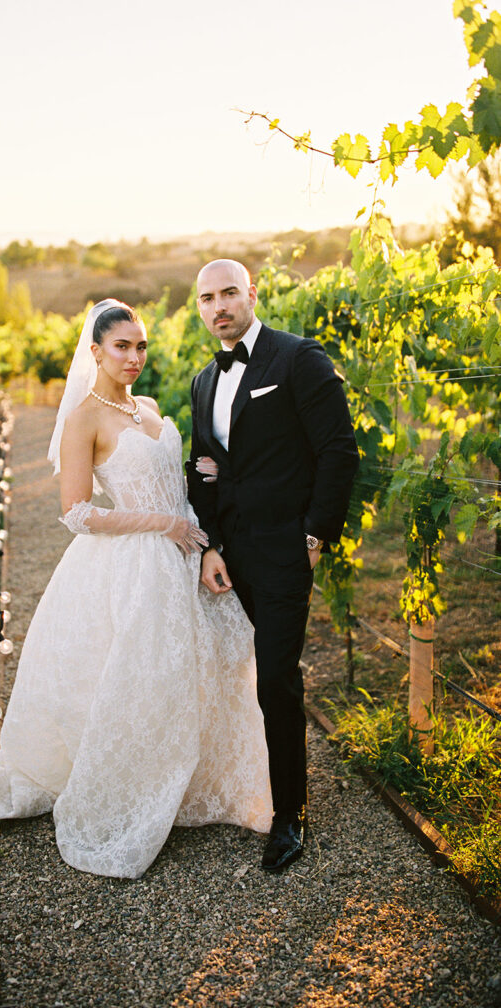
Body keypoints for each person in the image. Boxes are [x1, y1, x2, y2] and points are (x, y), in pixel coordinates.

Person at [0, 299, 272, 879]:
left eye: (141, 346)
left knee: (211, 662)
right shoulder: (83, 420)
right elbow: (75, 512)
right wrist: (161, 525)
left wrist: (203, 542)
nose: (135, 357)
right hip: (135, 561)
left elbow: (179, 486)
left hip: (185, 554)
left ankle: (206, 785)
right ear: (95, 351)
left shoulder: (147, 408)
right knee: (143, 679)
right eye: (122, 346)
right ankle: (136, 792)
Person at [186, 260, 359, 873]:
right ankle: (253, 786)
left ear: (252, 295)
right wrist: (209, 546)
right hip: (232, 557)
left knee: (275, 678)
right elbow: (203, 469)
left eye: (229, 292)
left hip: (287, 552)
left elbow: (338, 450)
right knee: (248, 675)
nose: (218, 306)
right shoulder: (203, 381)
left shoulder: (296, 359)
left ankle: (290, 813)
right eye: (207, 298)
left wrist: (314, 537)